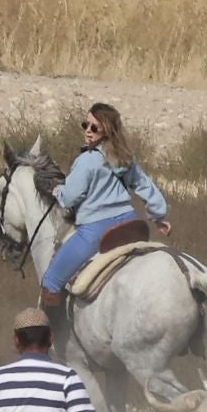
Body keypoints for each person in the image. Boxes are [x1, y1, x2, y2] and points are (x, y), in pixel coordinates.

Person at [41, 104, 171, 310]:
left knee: (51, 280)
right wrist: (158, 216)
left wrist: (57, 190)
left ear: (107, 131)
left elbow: (69, 198)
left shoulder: (86, 161)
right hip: (130, 223)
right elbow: (144, 185)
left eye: (95, 128)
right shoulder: (125, 157)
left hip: (96, 230)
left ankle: (53, 339)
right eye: (86, 125)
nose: (87, 131)